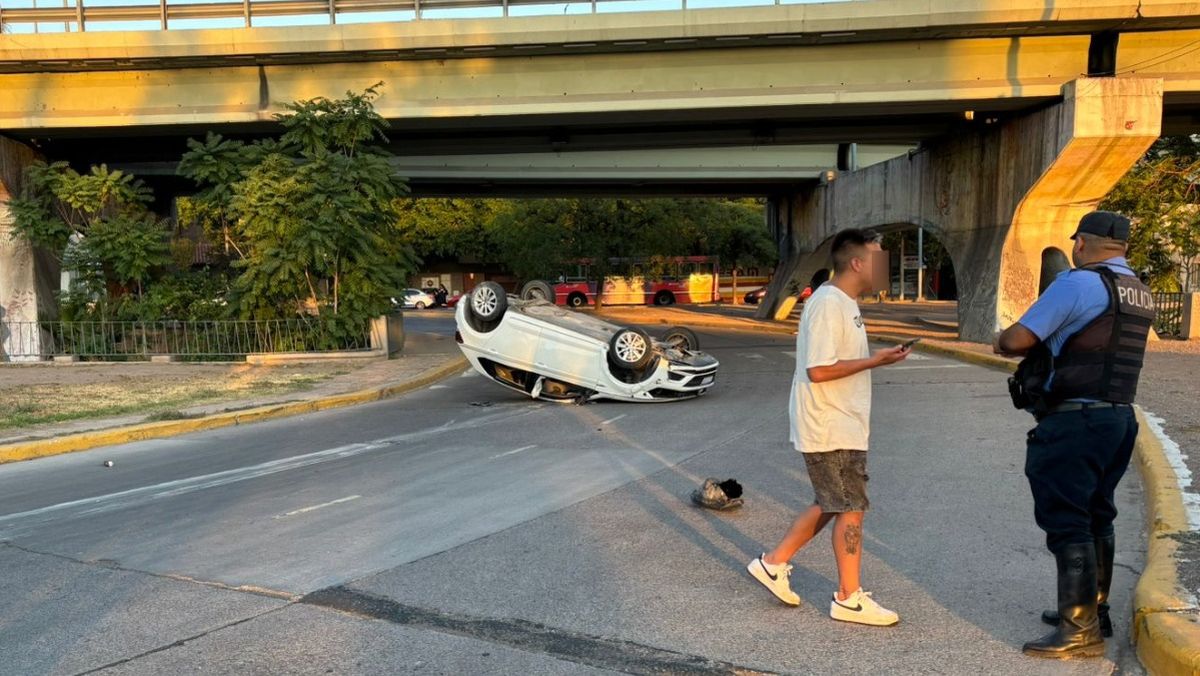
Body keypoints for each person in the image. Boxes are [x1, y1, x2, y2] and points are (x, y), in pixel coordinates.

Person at [995, 211, 1156, 659]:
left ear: (1081, 244)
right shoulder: (1137, 291)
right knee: (1098, 514)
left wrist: (1000, 338)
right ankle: (1092, 612)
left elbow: (1016, 340)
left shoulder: (1077, 282)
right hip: (1118, 419)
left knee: (1067, 521)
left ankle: (1078, 631)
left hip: (1075, 421)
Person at [747, 228, 911, 626]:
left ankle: (773, 563)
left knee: (833, 502)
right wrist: (877, 361)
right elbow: (818, 370)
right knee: (850, 508)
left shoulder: (845, 302)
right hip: (829, 423)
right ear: (857, 263)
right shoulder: (828, 304)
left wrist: (875, 359)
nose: (884, 265)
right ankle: (848, 598)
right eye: (878, 257)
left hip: (841, 422)